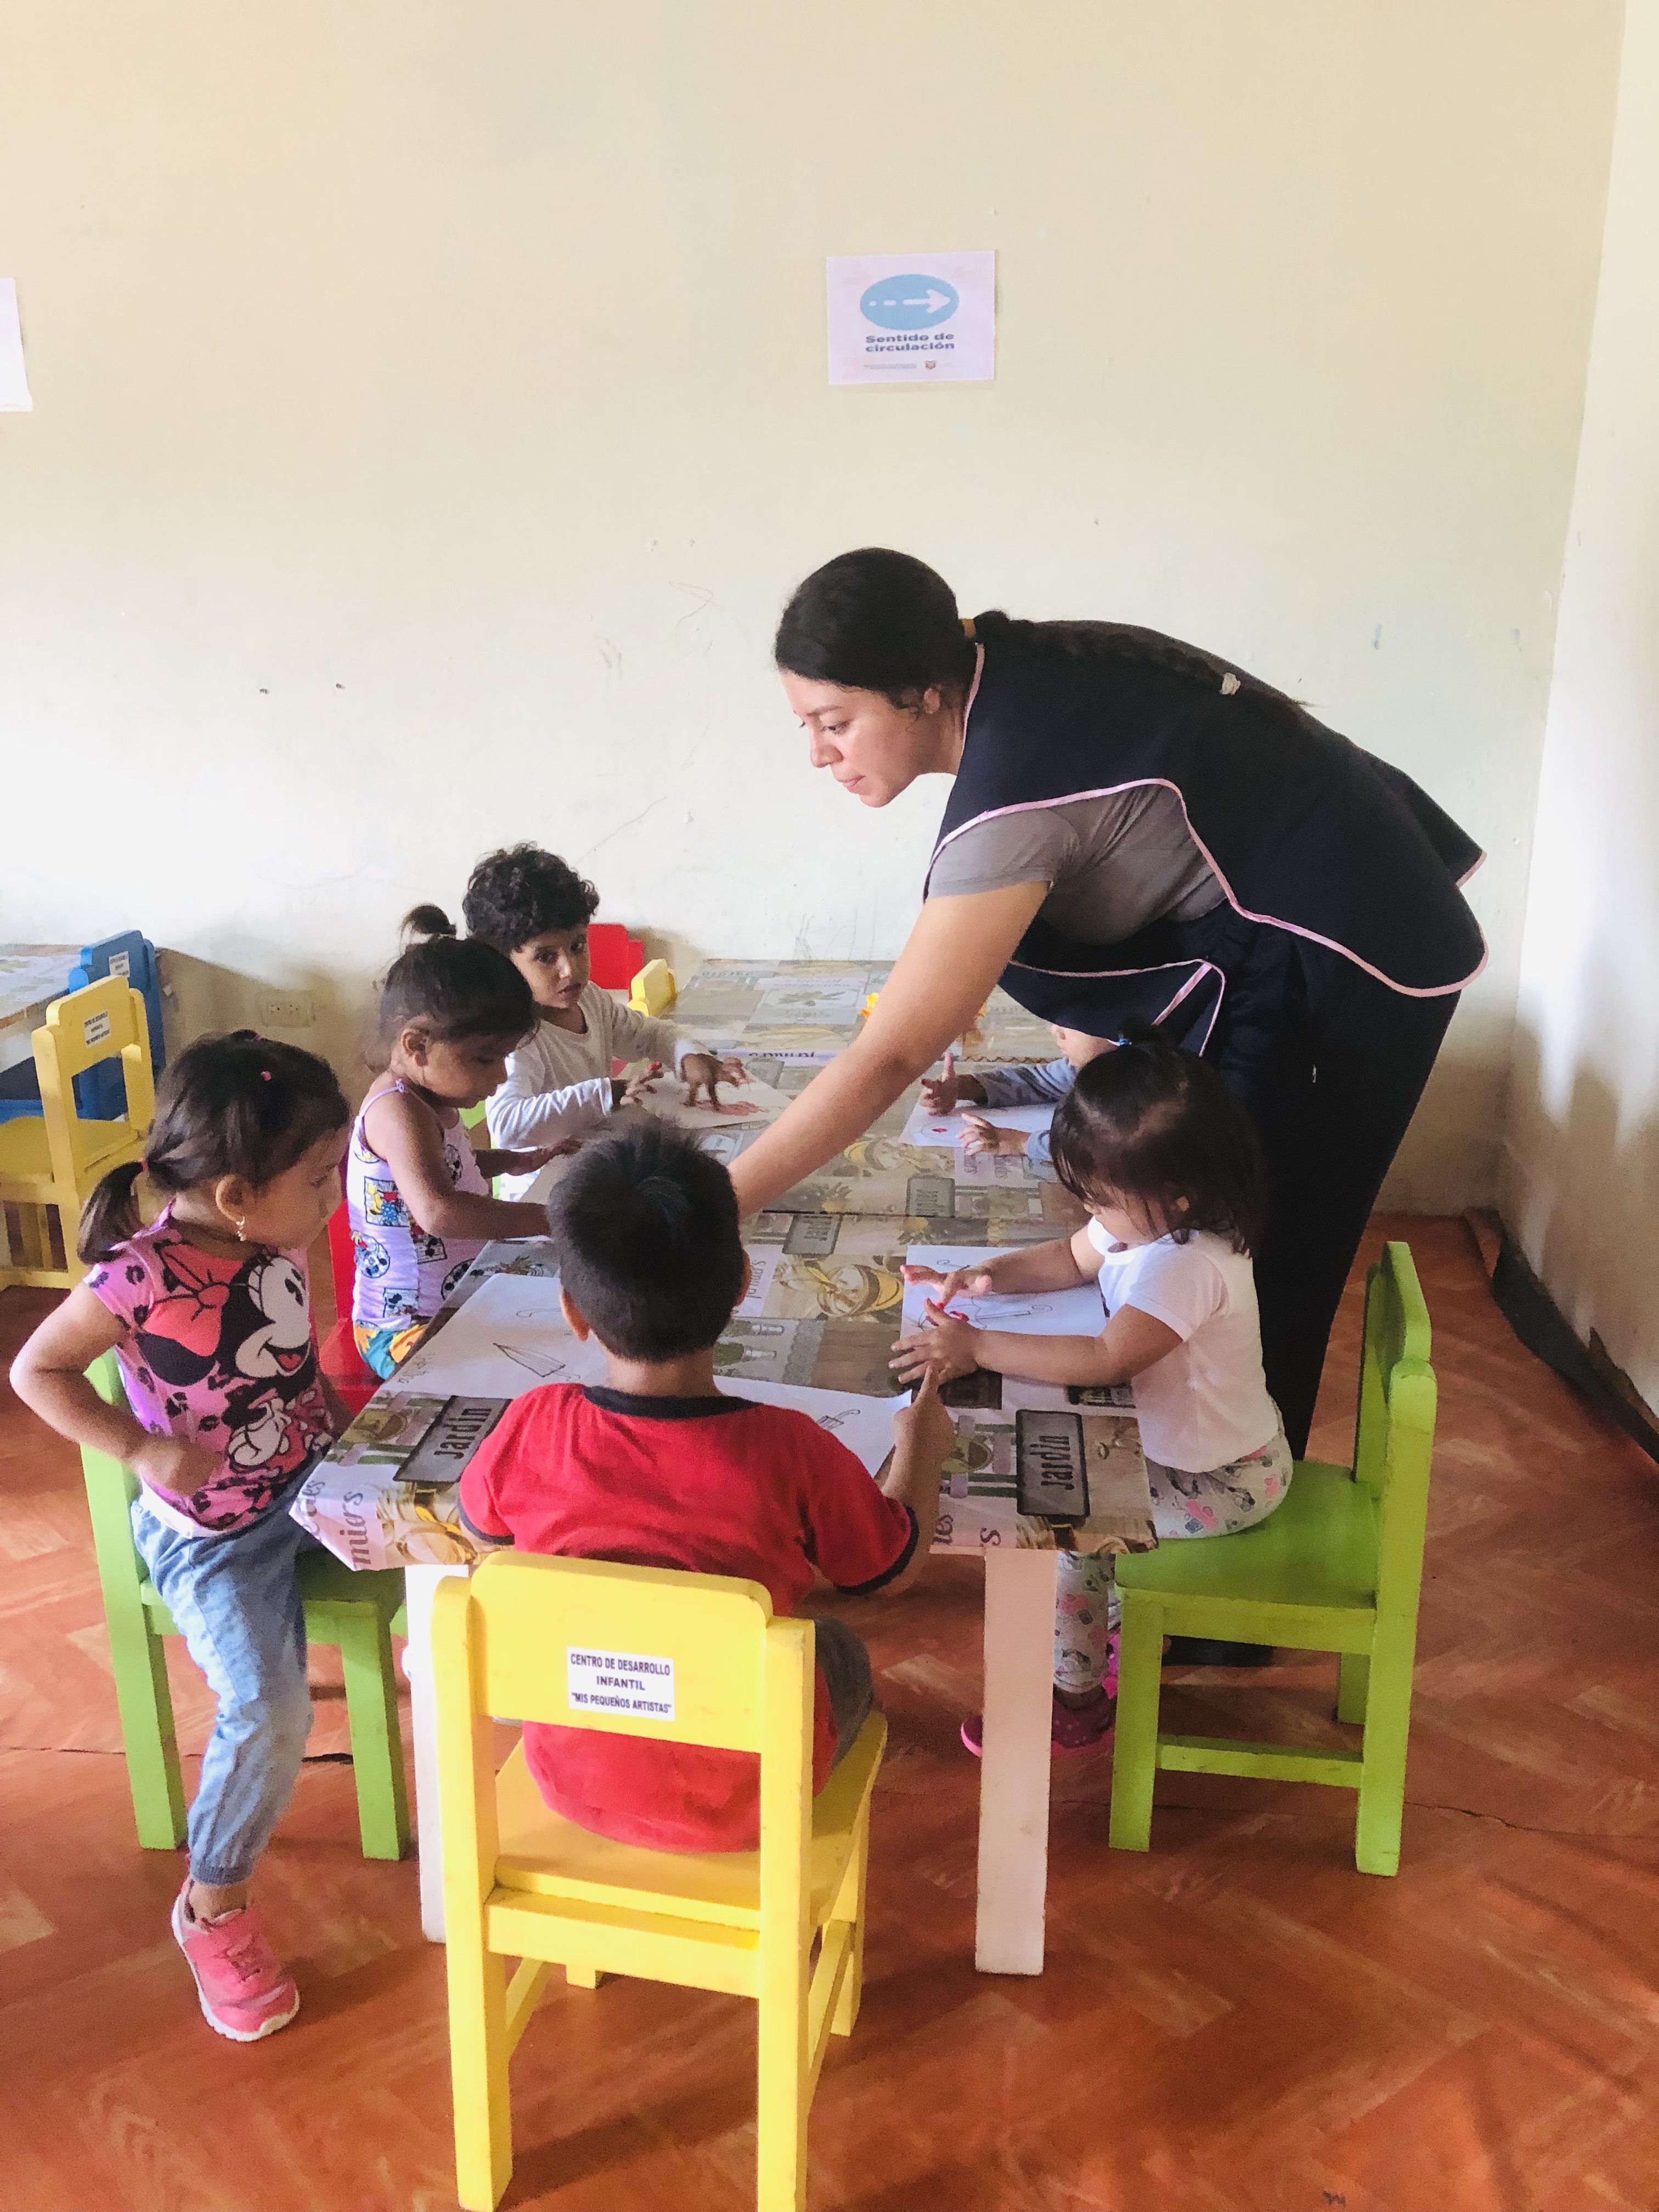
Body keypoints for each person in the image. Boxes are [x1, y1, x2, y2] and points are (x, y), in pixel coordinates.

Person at [731, 546, 1486, 1471]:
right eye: (806, 726)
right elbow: (1114, 903)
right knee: (1195, 1222)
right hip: (1296, 916)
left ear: (921, 693)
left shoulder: (1016, 790)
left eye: (834, 722)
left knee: (1259, 1249)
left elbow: (890, 1055)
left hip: (1353, 950)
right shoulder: (1010, 674)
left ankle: (1244, 1498)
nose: (818, 753)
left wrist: (719, 1206)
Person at [456, 1121, 953, 1852]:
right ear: (743, 1284)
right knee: (835, 1646)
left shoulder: (534, 1423)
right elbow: (891, 1568)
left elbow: (484, 1534)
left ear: (573, 1312)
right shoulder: (790, 1450)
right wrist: (923, 1447)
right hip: (753, 1800)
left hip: (571, 1780)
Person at [9, 1033, 355, 2041]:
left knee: (459, 1531)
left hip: (310, 1487)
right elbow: (36, 1371)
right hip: (215, 1538)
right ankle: (213, 1906)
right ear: (239, 1193)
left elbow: (288, 1366)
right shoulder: (139, 1276)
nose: (332, 1196)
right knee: (268, 1708)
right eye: (319, 1178)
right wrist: (139, 1449)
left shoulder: (269, 1238)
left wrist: (345, 1437)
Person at [893, 1042, 1290, 1754]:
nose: (1090, 1210)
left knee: (1069, 1528)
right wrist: (988, 1275)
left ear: (1178, 1193)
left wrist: (977, 1346)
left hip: (1223, 1481)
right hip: (1188, 1451)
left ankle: (1075, 1699)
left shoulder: (1188, 1265)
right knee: (1056, 1479)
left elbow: (1106, 1358)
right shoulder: (1150, 1217)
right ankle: (1115, 1631)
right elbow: (1072, 1256)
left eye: (1101, 1198)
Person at [349, 911, 565, 1378]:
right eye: (486, 1059)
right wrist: (549, 1219)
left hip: (460, 1294)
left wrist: (508, 1161)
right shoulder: (397, 1111)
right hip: (403, 1327)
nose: (501, 1075)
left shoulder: (431, 1097)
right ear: (417, 1046)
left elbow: (447, 1166)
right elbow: (439, 1212)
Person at [461, 844, 744, 1197]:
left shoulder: (590, 999)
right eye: (546, 957)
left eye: (578, 946)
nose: (570, 969)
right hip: (547, 1198)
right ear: (503, 964)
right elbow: (508, 1126)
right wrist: (607, 1093)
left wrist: (686, 1054)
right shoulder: (516, 1039)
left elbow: (647, 1034)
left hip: (598, 1172)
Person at [919, 1028, 1118, 1168]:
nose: (1056, 1031)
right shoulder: (1090, 1066)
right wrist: (966, 1088)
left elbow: (1105, 1149)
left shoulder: (1135, 1087)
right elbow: (1040, 1082)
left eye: (1073, 1023)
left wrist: (1023, 1143)